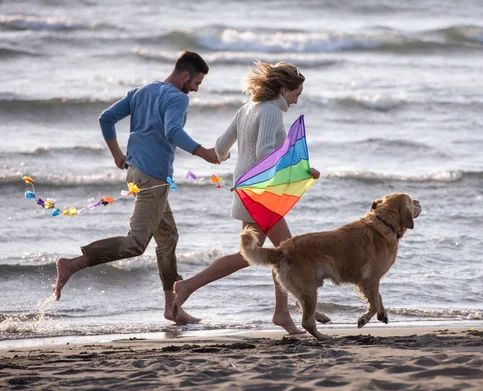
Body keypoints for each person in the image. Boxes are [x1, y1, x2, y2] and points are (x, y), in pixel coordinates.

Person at [54, 50, 219, 324]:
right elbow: (173, 132)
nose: (195, 89)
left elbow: (106, 118)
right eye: (196, 83)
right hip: (153, 179)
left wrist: (117, 154)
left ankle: (172, 309)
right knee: (136, 244)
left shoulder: (142, 91)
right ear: (186, 75)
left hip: (136, 174)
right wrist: (205, 153)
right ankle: (71, 264)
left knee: (168, 238)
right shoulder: (177, 97)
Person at [173, 61, 320, 334]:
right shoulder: (271, 112)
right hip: (261, 194)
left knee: (260, 255)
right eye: (297, 94)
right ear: (284, 89)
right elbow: (265, 152)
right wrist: (302, 169)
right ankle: (279, 313)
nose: (297, 101)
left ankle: (280, 312)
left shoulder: (246, 109)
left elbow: (219, 147)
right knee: (284, 253)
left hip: (247, 190)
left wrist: (224, 157)